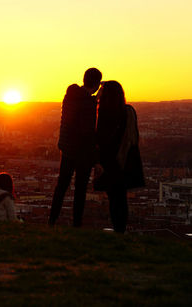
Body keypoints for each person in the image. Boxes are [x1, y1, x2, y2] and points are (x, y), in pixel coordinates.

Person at [49, 68, 102, 227]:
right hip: (82, 153)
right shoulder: (88, 104)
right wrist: (95, 158)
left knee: (62, 186)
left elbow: (79, 107)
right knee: (80, 190)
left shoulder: (70, 96)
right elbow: (87, 132)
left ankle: (52, 220)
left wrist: (93, 100)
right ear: (97, 84)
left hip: (67, 148)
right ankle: (76, 224)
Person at [94, 81, 144, 233]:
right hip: (125, 161)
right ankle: (120, 230)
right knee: (121, 198)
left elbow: (100, 138)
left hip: (110, 161)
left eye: (102, 90)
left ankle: (118, 230)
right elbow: (134, 138)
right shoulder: (129, 111)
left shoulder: (105, 112)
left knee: (114, 199)